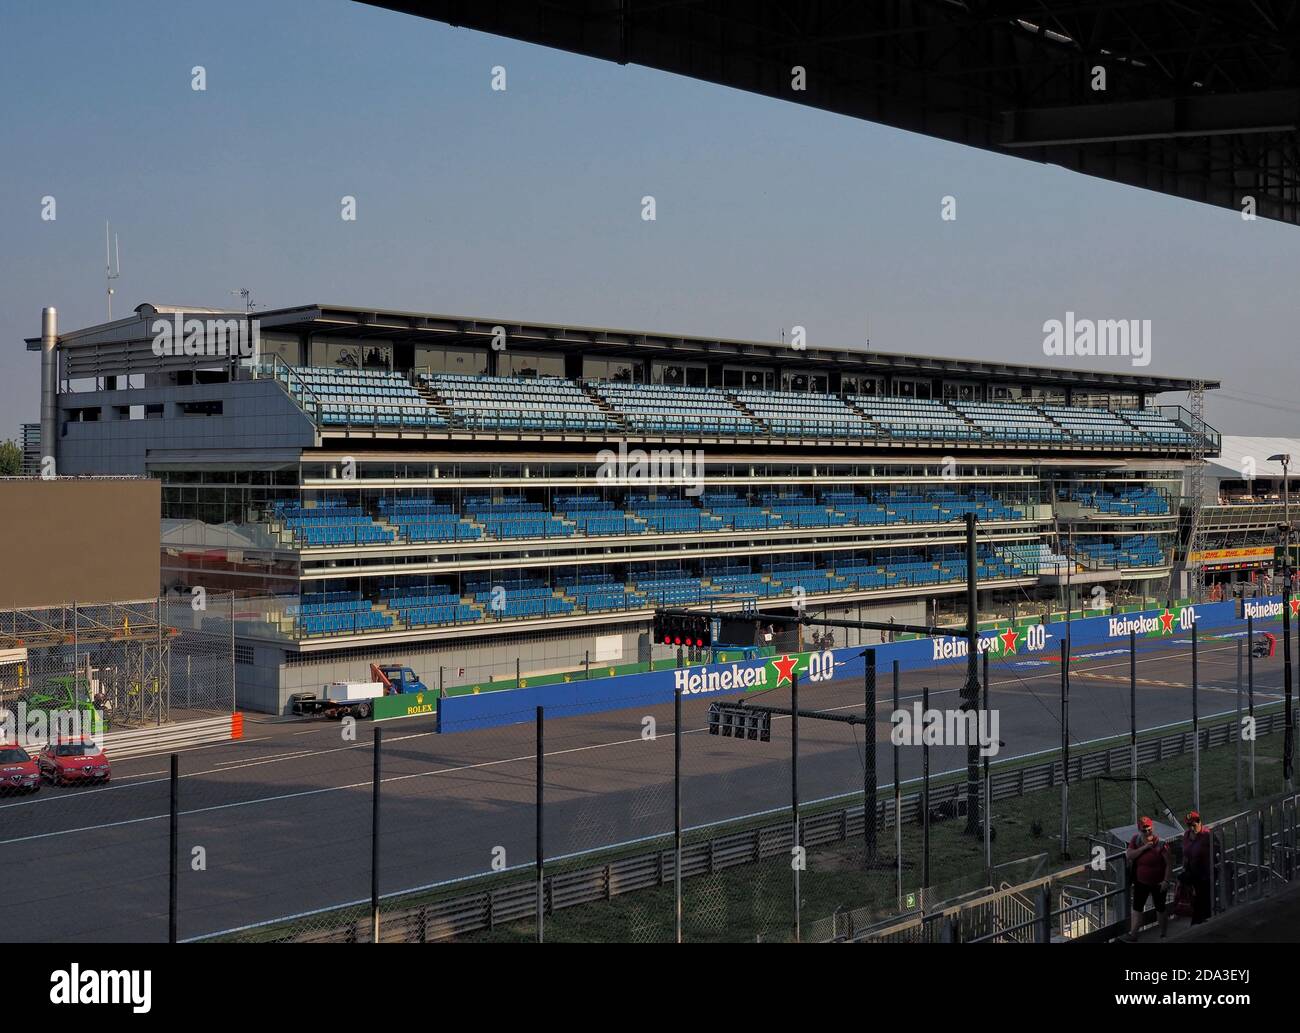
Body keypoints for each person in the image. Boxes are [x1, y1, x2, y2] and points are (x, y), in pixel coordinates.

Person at [1125, 816, 1172, 940]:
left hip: (1158, 883)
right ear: (1139, 830)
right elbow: (1129, 855)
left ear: (1152, 828)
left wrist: (1166, 880)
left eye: (1149, 829)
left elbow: (1168, 864)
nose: (1147, 832)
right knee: (1137, 908)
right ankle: (1133, 934)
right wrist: (1144, 848)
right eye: (1144, 830)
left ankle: (1163, 934)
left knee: (1160, 908)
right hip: (1141, 882)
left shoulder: (1161, 843)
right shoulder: (1136, 840)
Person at [1180, 811, 1213, 925]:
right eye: (1189, 825)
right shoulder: (1187, 835)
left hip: (1205, 872)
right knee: (1195, 898)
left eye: (1193, 825)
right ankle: (1199, 919)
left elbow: (1218, 851)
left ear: (1199, 822)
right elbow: (1185, 853)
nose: (1191, 827)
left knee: (1203, 898)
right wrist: (1184, 868)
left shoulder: (1207, 835)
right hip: (1192, 871)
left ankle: (1200, 921)